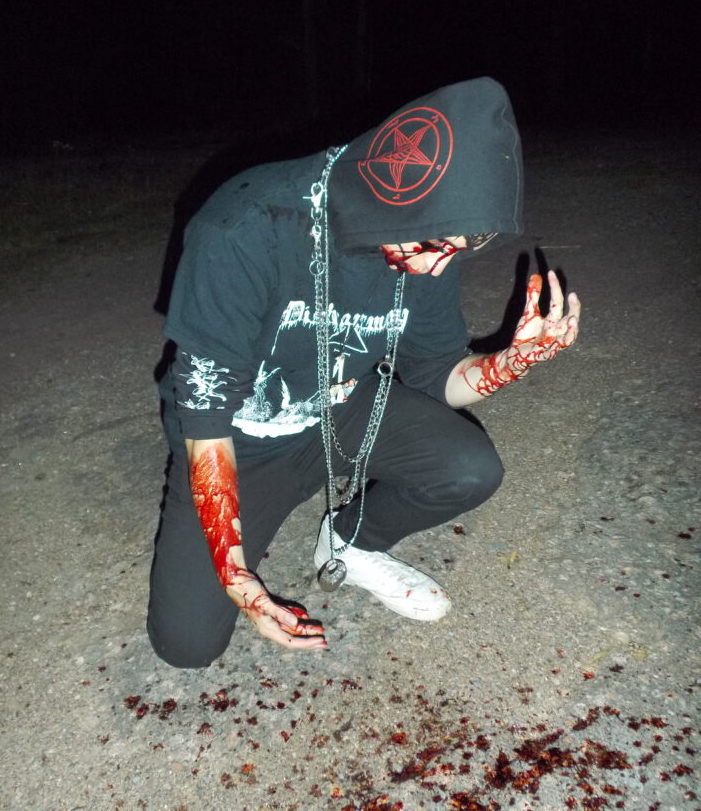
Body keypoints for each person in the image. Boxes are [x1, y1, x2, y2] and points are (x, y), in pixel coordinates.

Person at [147, 76, 580, 669]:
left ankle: (350, 540)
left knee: (469, 468)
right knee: (187, 645)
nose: (437, 269)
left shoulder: (428, 239)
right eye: (435, 244)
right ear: (393, 195)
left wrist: (513, 361)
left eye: (456, 251)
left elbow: (436, 376)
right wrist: (238, 577)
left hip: (345, 403)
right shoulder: (247, 226)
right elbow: (205, 415)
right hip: (241, 435)